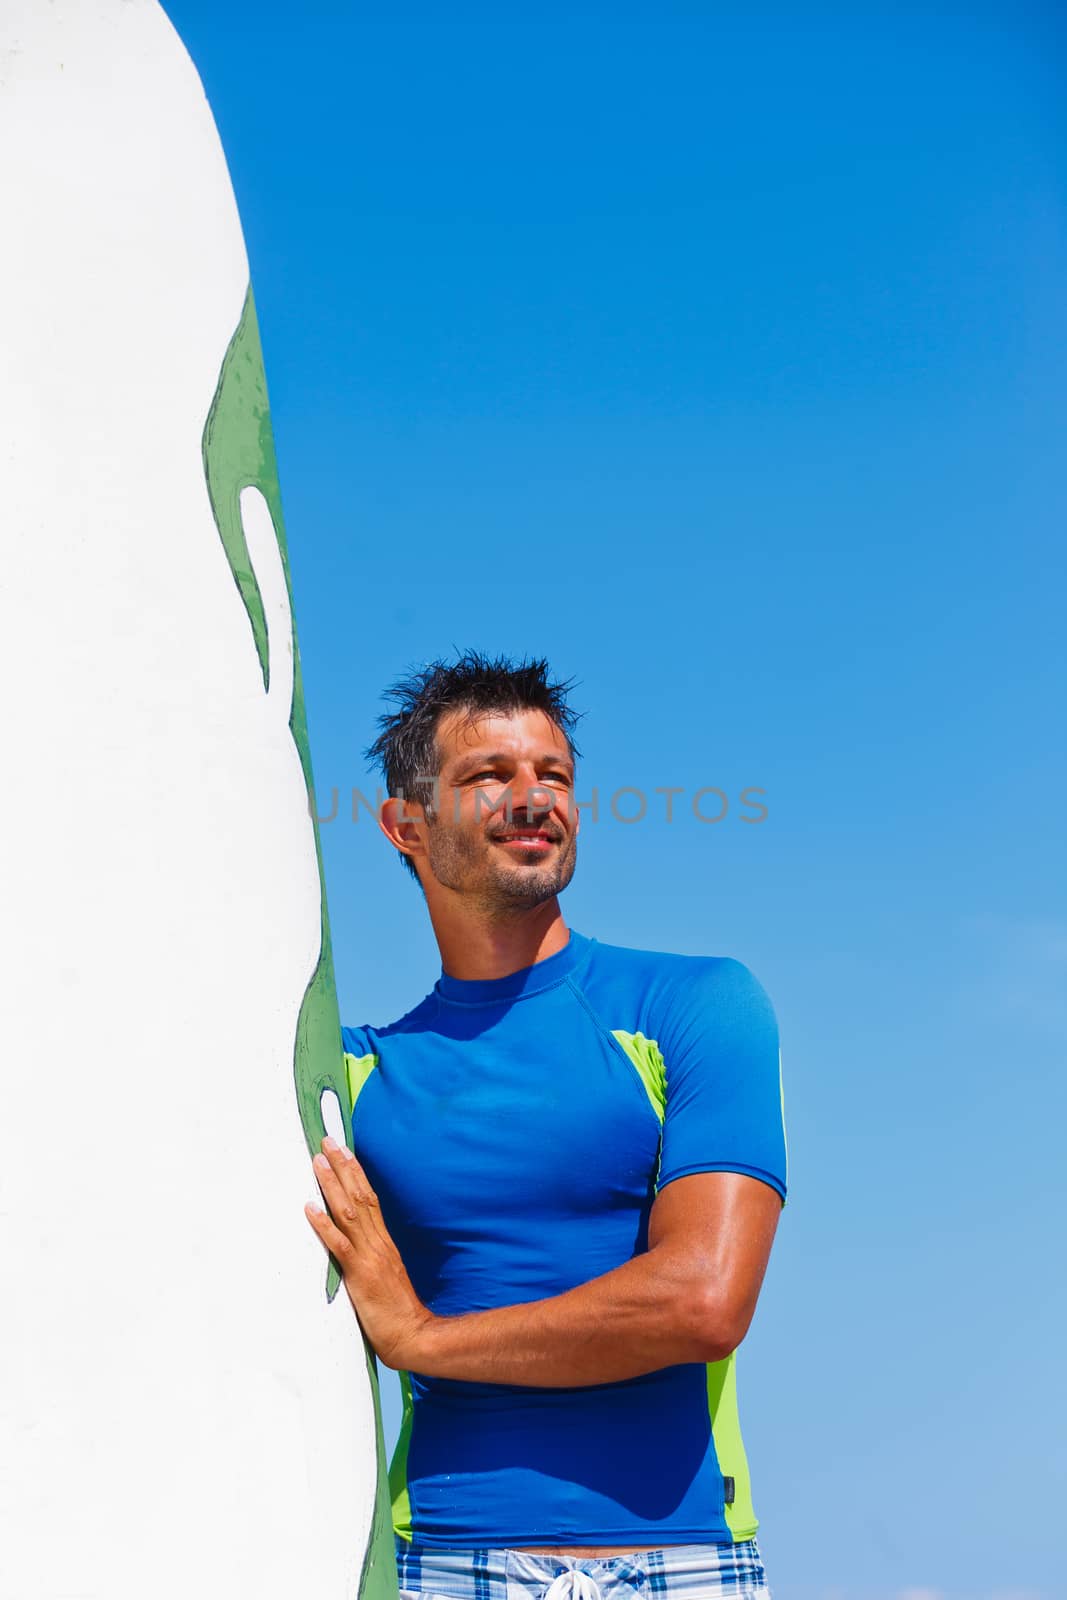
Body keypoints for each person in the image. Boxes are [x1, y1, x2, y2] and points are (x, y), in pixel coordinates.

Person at [305, 650, 788, 1600]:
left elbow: (702, 1301)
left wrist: (420, 1337)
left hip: (684, 1563)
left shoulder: (693, 1005)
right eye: (488, 776)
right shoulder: (353, 1071)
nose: (533, 798)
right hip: (441, 1565)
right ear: (406, 825)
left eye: (553, 776)